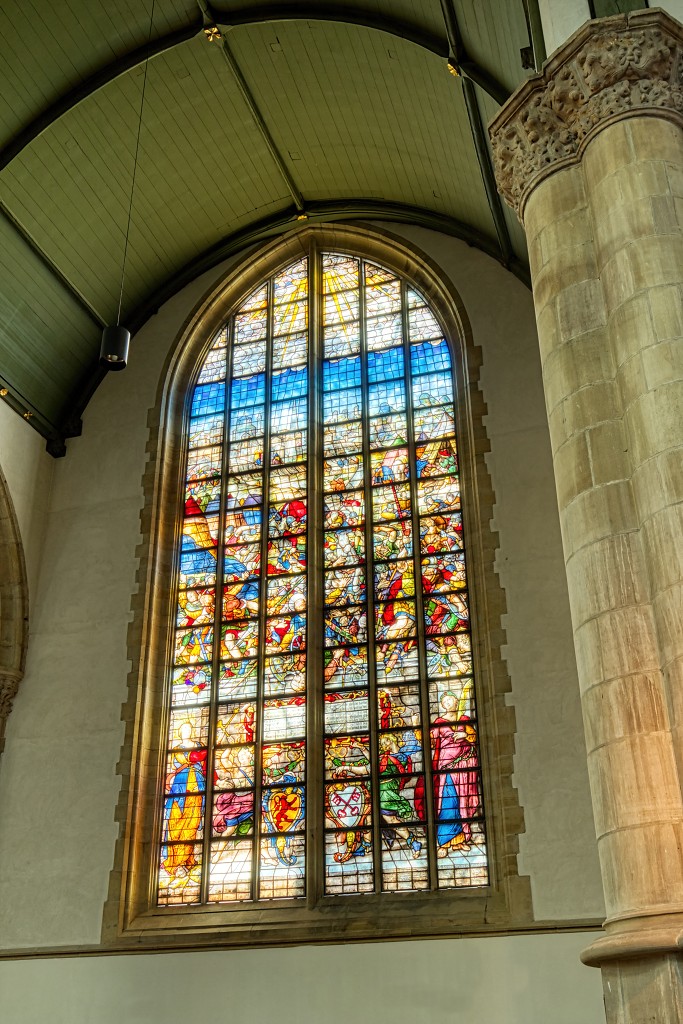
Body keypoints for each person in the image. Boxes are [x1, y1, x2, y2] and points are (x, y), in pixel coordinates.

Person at [431, 688, 479, 855]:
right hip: (447, 766)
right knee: (448, 802)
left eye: (450, 700)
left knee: (462, 802)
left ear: (456, 702)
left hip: (464, 765)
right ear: (442, 705)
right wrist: (416, 726)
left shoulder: (464, 719)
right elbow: (430, 741)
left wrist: (464, 734)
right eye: (445, 702)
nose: (447, 703)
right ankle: (444, 843)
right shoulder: (438, 722)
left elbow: (473, 737)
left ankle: (459, 840)